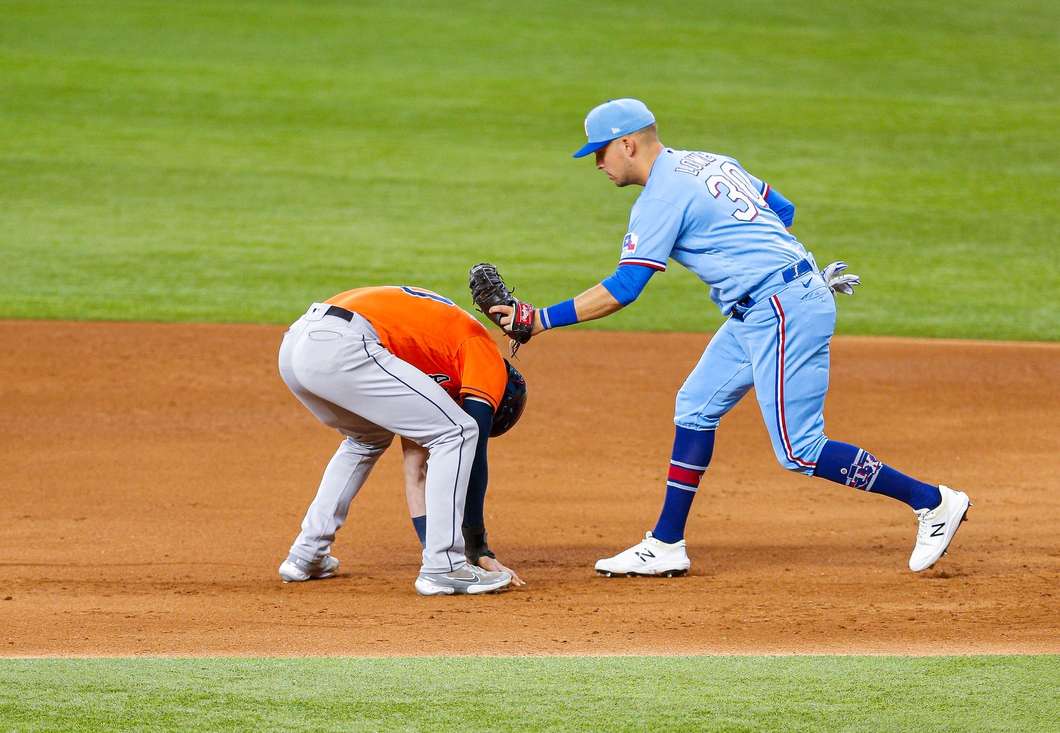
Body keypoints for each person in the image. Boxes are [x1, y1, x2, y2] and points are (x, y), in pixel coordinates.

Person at [494, 98, 971, 576]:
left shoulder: (660, 198)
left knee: (800, 449)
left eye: (601, 152)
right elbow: (781, 209)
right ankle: (666, 543)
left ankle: (932, 502)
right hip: (768, 306)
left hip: (780, 309)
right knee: (695, 406)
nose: (598, 163)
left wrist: (537, 319)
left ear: (628, 143)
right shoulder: (708, 161)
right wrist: (775, 268)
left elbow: (624, 288)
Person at [277, 285, 527, 595]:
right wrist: (477, 549)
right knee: (459, 432)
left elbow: (417, 467)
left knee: (366, 439)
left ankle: (307, 554)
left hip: (298, 344)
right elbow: (471, 446)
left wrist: (430, 543)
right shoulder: (485, 356)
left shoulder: (434, 359)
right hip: (343, 343)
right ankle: (445, 567)